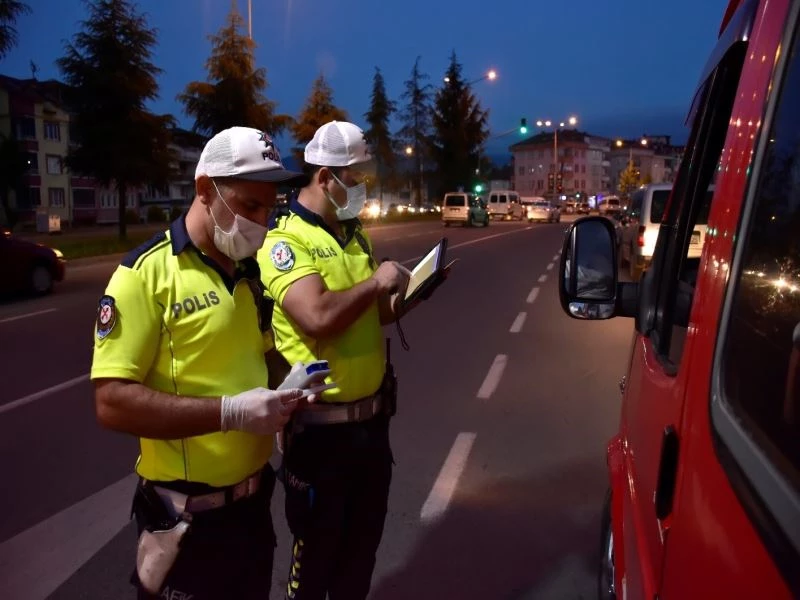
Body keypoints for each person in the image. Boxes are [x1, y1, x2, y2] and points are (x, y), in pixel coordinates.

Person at [90, 126, 310, 599]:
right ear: (205, 190)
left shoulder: (249, 273)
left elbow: (261, 354)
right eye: (249, 207)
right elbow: (110, 403)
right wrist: (228, 412)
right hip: (186, 526)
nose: (262, 222)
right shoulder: (144, 276)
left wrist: (288, 386)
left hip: (253, 510)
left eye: (269, 208)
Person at [257, 121, 411, 600]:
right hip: (321, 438)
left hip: (371, 428)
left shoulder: (353, 234)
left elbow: (374, 314)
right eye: (356, 176)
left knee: (359, 560)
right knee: (315, 566)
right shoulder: (285, 240)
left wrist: (413, 291)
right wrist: (373, 283)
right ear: (325, 178)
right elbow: (319, 315)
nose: (363, 186)